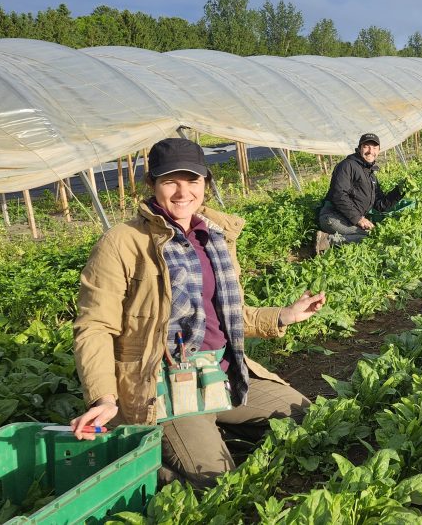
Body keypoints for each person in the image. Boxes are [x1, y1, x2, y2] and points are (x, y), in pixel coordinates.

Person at [71, 137, 326, 488]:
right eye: (170, 181)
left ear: (205, 183)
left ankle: (208, 426)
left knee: (310, 419)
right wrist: (105, 396)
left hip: (220, 373)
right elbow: (95, 326)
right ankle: (150, 454)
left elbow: (224, 312)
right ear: (152, 185)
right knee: (217, 483)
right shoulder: (123, 242)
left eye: (192, 180)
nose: (182, 192)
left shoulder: (216, 236)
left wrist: (283, 315)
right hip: (163, 385)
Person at [315, 132, 403, 254]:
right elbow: (338, 195)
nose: (370, 151)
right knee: (371, 237)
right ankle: (327, 240)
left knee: (375, 234)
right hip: (332, 217)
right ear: (360, 148)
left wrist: (399, 191)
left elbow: (380, 204)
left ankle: (332, 239)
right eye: (366, 146)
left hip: (348, 218)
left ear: (378, 150)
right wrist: (359, 219)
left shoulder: (370, 174)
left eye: (374, 147)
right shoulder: (347, 166)